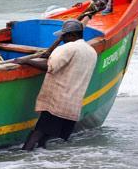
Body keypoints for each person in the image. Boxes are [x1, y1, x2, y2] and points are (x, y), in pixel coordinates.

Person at [19, 19, 98, 151]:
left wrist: (26, 61)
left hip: (57, 99)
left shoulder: (67, 48)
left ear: (72, 35)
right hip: (72, 102)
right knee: (48, 133)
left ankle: (24, 157)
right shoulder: (91, 51)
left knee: (38, 131)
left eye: (64, 36)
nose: (62, 39)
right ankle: (41, 156)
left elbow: (50, 66)